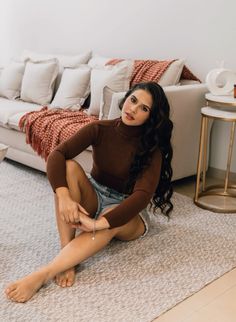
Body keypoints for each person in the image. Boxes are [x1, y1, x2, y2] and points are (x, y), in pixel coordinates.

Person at [5, 81, 173, 303]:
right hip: (95, 194)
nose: (133, 109)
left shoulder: (152, 149)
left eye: (144, 108)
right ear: (126, 98)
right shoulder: (100, 129)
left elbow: (141, 197)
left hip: (127, 210)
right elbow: (57, 154)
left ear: (150, 117)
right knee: (69, 167)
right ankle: (68, 255)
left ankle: (43, 273)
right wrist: (64, 197)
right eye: (133, 100)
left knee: (109, 221)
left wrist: (98, 224)